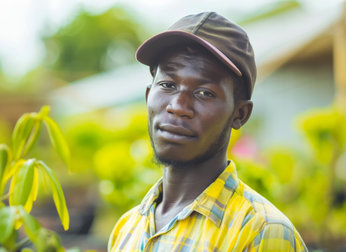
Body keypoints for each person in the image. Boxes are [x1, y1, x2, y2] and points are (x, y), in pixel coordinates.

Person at [108, 12, 307, 251]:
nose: (178, 106)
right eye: (168, 85)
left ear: (240, 114)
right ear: (148, 96)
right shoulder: (127, 228)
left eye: (204, 92)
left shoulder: (261, 232)